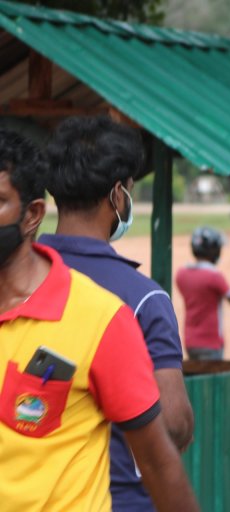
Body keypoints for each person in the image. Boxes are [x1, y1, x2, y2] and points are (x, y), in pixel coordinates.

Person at [0, 128, 199, 511]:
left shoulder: (96, 312)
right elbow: (172, 426)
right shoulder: (142, 297)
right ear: (118, 195)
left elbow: (158, 457)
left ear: (35, 212)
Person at [176, 226, 230, 360]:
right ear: (212, 251)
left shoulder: (181, 274)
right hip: (211, 342)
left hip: (190, 341)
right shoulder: (214, 276)